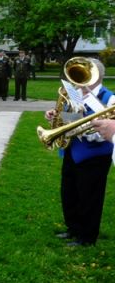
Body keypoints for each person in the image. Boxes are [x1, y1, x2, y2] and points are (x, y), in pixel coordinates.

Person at [46, 59, 114, 246]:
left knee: (90, 196)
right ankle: (73, 228)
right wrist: (55, 116)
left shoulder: (109, 98)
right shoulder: (75, 94)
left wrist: (81, 127)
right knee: (69, 192)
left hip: (94, 155)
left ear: (97, 75)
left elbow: (105, 133)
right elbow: (69, 117)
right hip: (72, 150)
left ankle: (87, 237)